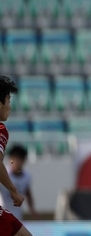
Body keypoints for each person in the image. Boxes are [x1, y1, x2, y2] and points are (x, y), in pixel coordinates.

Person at [0, 76, 33, 236]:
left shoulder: (26, 176)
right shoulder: (0, 129)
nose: (10, 107)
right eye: (8, 100)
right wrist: (13, 191)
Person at [0, 145, 37, 221]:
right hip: (2, 214)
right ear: (10, 159)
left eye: (20, 159)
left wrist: (32, 210)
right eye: (15, 159)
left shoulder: (27, 176)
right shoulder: (3, 174)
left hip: (17, 216)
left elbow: (28, 193)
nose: (17, 162)